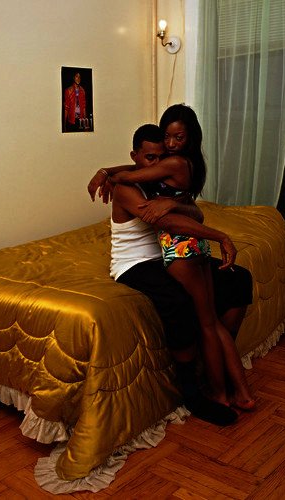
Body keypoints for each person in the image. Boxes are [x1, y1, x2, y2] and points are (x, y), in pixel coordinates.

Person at [88, 115, 253, 426]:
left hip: (165, 255)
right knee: (179, 303)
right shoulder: (126, 188)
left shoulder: (157, 179)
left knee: (238, 279)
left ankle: (213, 360)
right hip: (133, 263)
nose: (158, 163)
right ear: (135, 157)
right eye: (150, 158)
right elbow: (164, 222)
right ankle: (191, 391)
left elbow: (194, 212)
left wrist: (108, 171)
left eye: (161, 158)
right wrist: (219, 236)